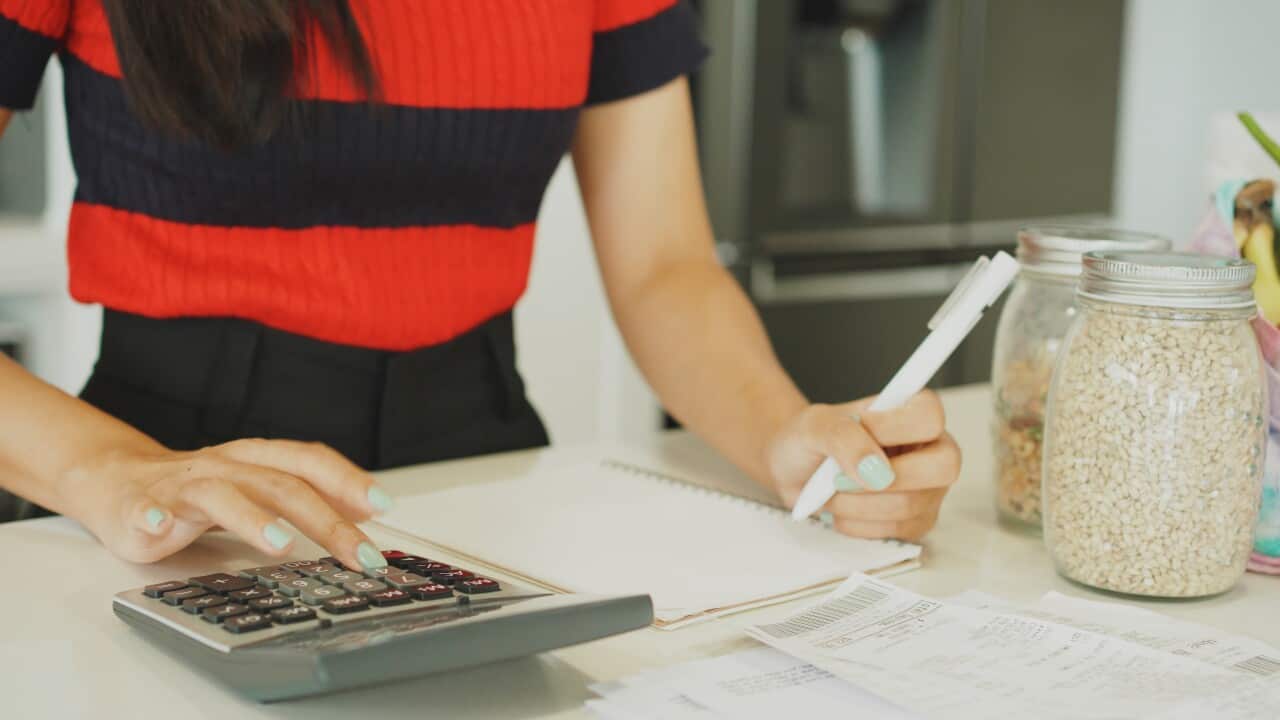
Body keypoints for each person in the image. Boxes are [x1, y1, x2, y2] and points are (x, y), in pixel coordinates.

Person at [0, 0, 960, 572]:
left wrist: (785, 437)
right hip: (171, 488)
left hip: (486, 482)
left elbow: (665, 265)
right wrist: (110, 472)